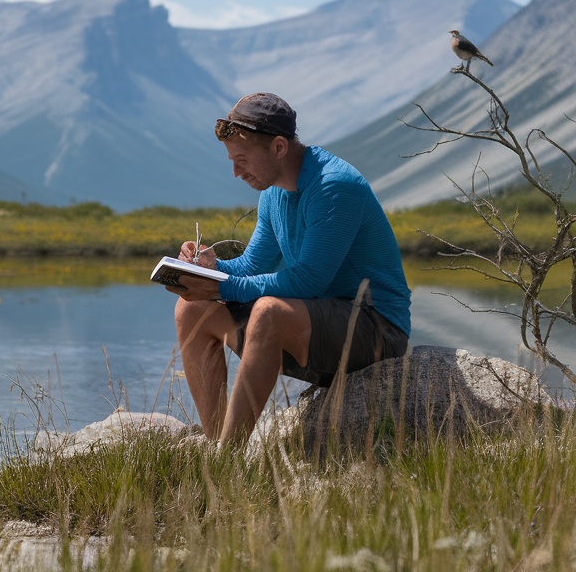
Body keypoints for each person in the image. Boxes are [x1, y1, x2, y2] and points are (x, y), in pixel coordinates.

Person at [169, 92, 411, 445]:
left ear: (279, 147)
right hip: (314, 326)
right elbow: (253, 265)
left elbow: (308, 280)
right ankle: (218, 445)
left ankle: (227, 456)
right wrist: (209, 267)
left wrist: (221, 288)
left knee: (269, 312)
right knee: (190, 309)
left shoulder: (334, 186)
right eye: (232, 161)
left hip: (377, 332)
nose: (236, 172)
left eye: (242, 160)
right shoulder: (273, 192)